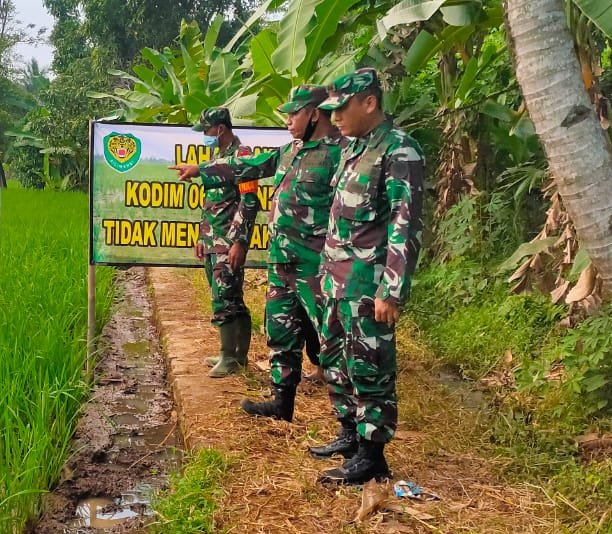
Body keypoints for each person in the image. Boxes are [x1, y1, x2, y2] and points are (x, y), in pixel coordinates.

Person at [174, 86, 341, 421]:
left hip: (315, 262)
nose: (289, 120)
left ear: (315, 113)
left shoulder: (339, 153)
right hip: (281, 260)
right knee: (280, 331)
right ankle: (282, 403)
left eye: (295, 114)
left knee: (330, 335)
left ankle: (350, 422)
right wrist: (201, 171)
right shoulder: (290, 151)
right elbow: (248, 166)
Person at [309, 68, 425, 485]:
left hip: (367, 282)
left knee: (369, 366)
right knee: (335, 360)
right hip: (335, 278)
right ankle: (349, 434)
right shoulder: (354, 149)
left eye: (342, 108)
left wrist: (391, 289)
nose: (335, 117)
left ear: (370, 103)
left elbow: (404, 224)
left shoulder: (399, 151)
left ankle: (373, 455)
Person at [170, 107, 260, 378]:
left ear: (220, 129)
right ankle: (235, 355)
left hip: (228, 242)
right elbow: (213, 202)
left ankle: (229, 357)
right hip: (213, 239)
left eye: (207, 130)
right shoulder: (218, 157)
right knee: (226, 296)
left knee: (225, 299)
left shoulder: (242, 157)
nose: (205, 136)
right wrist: (202, 236)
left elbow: (249, 202)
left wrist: (240, 242)